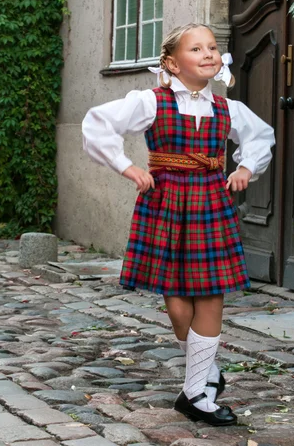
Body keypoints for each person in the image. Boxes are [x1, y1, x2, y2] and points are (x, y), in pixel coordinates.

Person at [82, 23, 275, 426]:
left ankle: (195, 395)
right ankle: (205, 373)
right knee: (175, 298)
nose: (208, 54)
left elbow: (260, 138)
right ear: (171, 62)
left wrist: (245, 167)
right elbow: (98, 124)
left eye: (212, 47)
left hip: (210, 203)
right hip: (166, 202)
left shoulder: (227, 108)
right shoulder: (151, 102)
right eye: (196, 48)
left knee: (210, 294)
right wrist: (128, 167)